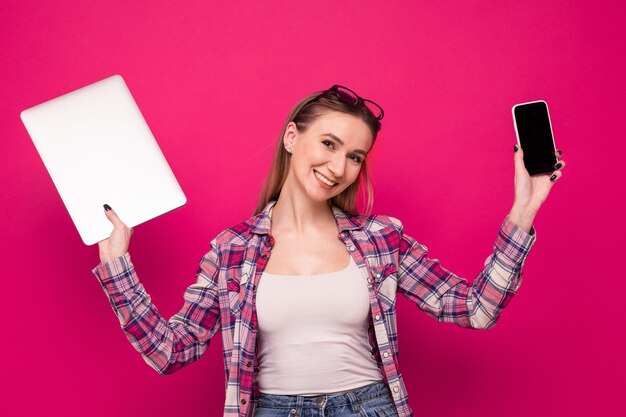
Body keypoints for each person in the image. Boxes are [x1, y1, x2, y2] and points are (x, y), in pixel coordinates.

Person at [93, 85, 566, 417]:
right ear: (292, 137)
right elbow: (169, 352)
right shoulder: (232, 250)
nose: (338, 166)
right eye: (329, 143)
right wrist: (117, 264)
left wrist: (523, 211)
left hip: (367, 407)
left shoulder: (381, 239)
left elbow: (476, 310)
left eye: (355, 156)